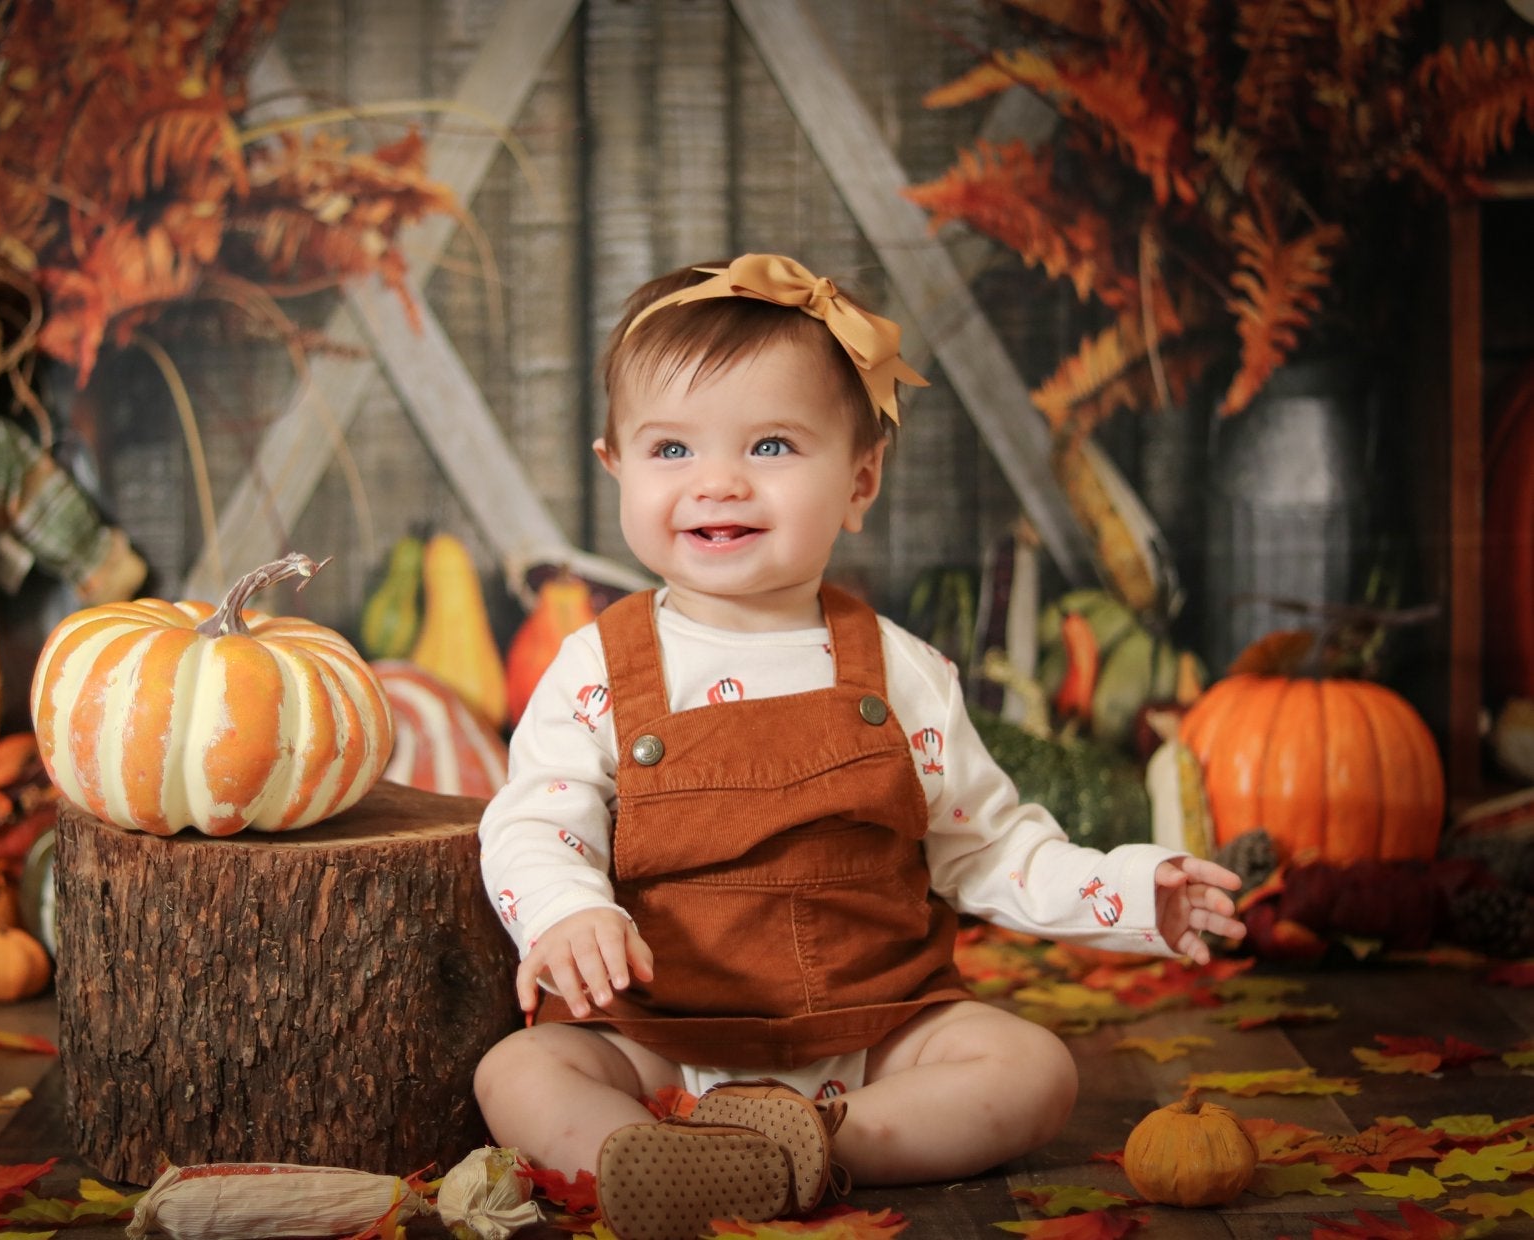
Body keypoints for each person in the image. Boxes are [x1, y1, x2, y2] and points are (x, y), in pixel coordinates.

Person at [472, 254, 1245, 1240]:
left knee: (1032, 1070)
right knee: (522, 1070)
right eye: (671, 450)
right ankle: (639, 1154)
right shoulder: (595, 666)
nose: (718, 482)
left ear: (859, 480)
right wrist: (566, 910)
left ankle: (816, 1143)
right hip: (663, 1038)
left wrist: (1137, 894)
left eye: (771, 445)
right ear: (614, 466)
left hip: (877, 1038)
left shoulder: (901, 670)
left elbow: (990, 847)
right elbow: (536, 819)